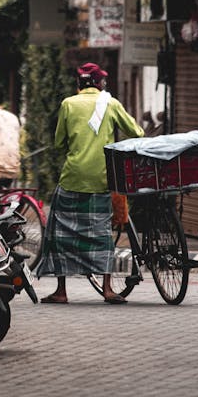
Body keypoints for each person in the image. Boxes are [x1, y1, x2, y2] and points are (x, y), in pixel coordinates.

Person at [38, 62, 144, 305]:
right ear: (100, 83)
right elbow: (136, 133)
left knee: (59, 234)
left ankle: (61, 291)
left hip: (72, 178)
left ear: (79, 84)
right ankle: (107, 289)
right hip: (102, 179)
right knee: (102, 234)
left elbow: (59, 143)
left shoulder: (68, 104)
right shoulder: (112, 103)